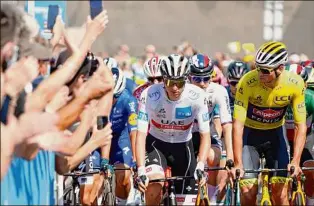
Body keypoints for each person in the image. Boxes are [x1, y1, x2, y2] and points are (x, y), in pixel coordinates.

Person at [231, 41, 307, 205]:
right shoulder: (247, 82)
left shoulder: (295, 84)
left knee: (280, 194)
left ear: (280, 68)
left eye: (265, 70)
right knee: (248, 192)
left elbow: (301, 126)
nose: (260, 74)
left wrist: (296, 161)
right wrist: (237, 163)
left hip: (276, 136)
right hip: (250, 137)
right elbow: (237, 125)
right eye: (258, 68)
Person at [135, 54, 211, 205]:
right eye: (170, 82)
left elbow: (205, 136)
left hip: (183, 147)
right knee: (154, 184)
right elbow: (141, 134)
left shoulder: (198, 96)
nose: (175, 88)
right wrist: (141, 169)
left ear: (186, 79)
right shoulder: (149, 95)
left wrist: (201, 164)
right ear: (163, 79)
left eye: (180, 82)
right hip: (156, 145)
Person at [188, 54, 233, 203]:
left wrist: (230, 157)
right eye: (197, 79)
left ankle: (212, 199)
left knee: (212, 158)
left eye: (206, 79)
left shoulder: (219, 91)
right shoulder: (183, 90)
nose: (202, 83)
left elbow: (227, 125)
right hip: (185, 133)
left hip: (207, 132)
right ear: (189, 77)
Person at [106, 67, 138, 205]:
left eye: (115, 96)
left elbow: (134, 131)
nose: (111, 100)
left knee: (124, 177)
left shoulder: (129, 100)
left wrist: (136, 159)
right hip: (100, 137)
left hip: (121, 137)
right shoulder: (97, 97)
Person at [285, 64, 314, 205]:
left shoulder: (310, 98)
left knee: (310, 169)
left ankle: (310, 201)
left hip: (304, 142)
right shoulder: (280, 97)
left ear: (306, 84)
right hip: (283, 141)